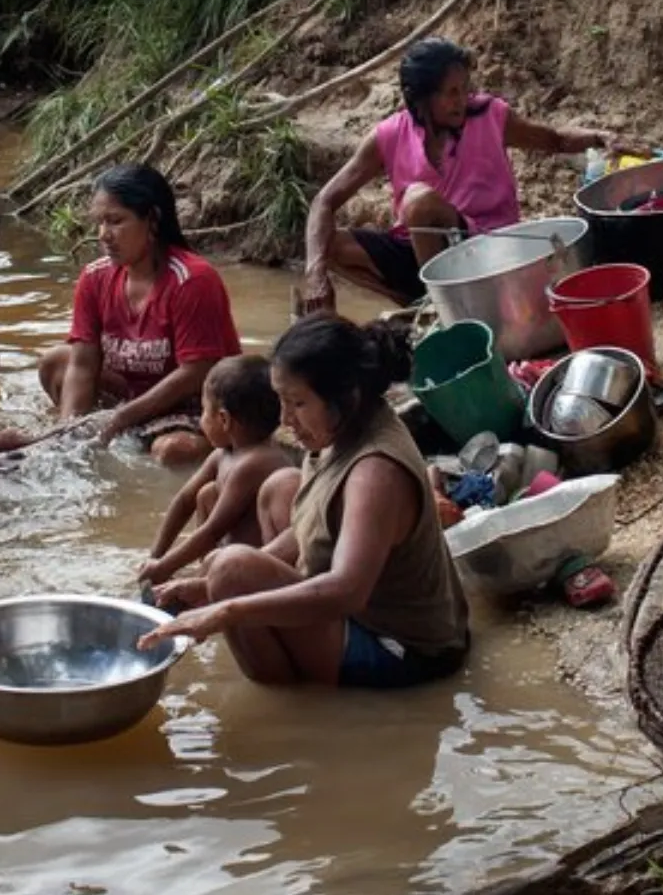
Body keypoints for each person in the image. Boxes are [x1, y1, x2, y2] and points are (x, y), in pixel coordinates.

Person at [140, 315, 469, 688]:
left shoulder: (375, 471)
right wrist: (203, 588)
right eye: (281, 400)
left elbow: (347, 591)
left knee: (232, 569)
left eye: (297, 403)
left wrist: (226, 611)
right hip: (371, 613)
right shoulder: (342, 427)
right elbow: (309, 525)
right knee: (280, 487)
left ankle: (293, 700)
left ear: (346, 397)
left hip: (405, 652)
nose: (284, 419)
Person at [301, 37, 630, 312]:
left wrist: (600, 137)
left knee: (418, 201)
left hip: (485, 247)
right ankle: (416, 303)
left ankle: (439, 307)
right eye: (451, 93)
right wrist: (314, 272)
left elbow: (553, 138)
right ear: (421, 99)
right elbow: (324, 201)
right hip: (418, 250)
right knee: (327, 244)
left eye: (464, 89)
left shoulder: (490, 115)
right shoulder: (389, 135)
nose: (461, 101)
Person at [40, 163, 242, 468]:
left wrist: (121, 418)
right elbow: (83, 364)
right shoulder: (94, 278)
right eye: (100, 223)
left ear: (152, 220)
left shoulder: (192, 279)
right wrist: (68, 433)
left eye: (116, 221)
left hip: (191, 403)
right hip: (132, 396)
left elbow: (197, 372)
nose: (104, 235)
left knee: (172, 452)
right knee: (56, 362)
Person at [138, 356, 292, 588]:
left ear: (223, 420)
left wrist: (166, 566)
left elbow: (213, 530)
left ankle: (206, 583)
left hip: (254, 571)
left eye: (203, 412)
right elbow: (183, 501)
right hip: (228, 557)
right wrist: (155, 557)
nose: (201, 421)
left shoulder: (255, 463)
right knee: (206, 494)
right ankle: (203, 577)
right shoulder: (224, 454)